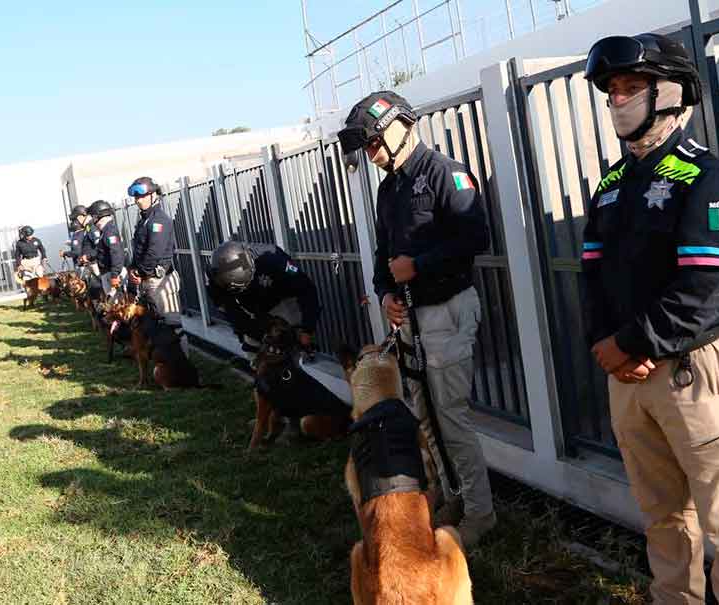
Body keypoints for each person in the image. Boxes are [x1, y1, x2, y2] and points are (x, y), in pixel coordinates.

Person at [580, 33, 719, 603]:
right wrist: (603, 343)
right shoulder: (612, 185)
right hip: (628, 377)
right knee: (663, 521)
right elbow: (590, 277)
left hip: (692, 374)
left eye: (631, 87)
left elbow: (708, 289)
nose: (618, 100)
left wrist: (632, 342)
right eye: (612, 90)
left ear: (670, 93)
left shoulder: (706, 177)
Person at [339, 90, 496, 546]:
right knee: (425, 415)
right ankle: (452, 498)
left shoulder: (447, 173)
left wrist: (420, 266)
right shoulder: (389, 189)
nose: (371, 155)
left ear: (399, 127)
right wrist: (387, 293)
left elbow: (476, 236)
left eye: (372, 143)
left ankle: (480, 513)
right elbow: (383, 258)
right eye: (365, 148)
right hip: (411, 320)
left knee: (451, 416)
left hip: (447, 310)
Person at [207, 240, 321, 442]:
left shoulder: (273, 259)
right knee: (259, 363)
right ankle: (272, 415)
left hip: (283, 301)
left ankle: (293, 420)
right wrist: (259, 334)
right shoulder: (216, 277)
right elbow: (234, 316)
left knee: (288, 363)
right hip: (252, 313)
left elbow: (306, 289)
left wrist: (306, 328)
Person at [125, 177, 181, 325]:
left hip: (161, 280)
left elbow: (154, 252)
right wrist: (132, 268)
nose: (138, 200)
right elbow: (138, 250)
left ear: (153, 195)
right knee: (155, 324)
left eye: (142, 196)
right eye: (136, 197)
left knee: (171, 325)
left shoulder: (159, 220)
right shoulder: (144, 220)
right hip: (147, 280)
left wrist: (139, 272)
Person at [88, 200, 126, 304]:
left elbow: (116, 253)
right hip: (108, 273)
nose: (93, 219)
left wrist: (114, 275)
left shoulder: (109, 231)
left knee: (116, 306)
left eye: (93, 216)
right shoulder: (104, 231)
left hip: (112, 274)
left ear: (99, 215)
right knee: (112, 305)